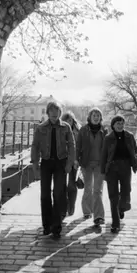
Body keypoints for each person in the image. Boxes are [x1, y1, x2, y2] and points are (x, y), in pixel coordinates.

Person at [31, 101, 76, 239]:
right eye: (52, 112)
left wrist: (69, 163)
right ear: (48, 113)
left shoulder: (66, 127)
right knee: (45, 195)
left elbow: (72, 145)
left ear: (60, 113)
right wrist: (35, 165)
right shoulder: (41, 128)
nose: (54, 114)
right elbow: (35, 146)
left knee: (58, 194)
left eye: (57, 112)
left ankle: (56, 227)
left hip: (60, 163)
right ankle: (46, 225)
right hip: (46, 162)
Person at [101, 115, 137, 233]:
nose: (120, 125)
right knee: (113, 196)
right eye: (118, 123)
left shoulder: (129, 136)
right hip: (112, 168)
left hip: (125, 167)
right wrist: (103, 171)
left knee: (126, 191)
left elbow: (135, 150)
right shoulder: (108, 138)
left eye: (122, 123)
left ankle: (121, 208)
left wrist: (136, 161)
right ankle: (115, 223)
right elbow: (104, 155)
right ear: (113, 125)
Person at [75, 108, 108, 227]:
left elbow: (108, 147)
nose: (96, 117)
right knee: (88, 188)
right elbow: (78, 146)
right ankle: (87, 211)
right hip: (86, 163)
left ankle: (99, 216)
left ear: (101, 118)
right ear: (90, 117)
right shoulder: (83, 130)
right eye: (94, 115)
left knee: (97, 190)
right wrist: (76, 159)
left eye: (98, 115)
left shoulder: (104, 130)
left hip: (100, 164)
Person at [61, 111, 81, 217]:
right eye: (66, 120)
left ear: (73, 121)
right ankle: (64, 206)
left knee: (72, 185)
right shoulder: (60, 130)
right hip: (62, 160)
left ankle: (71, 206)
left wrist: (77, 160)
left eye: (70, 120)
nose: (68, 122)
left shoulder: (78, 131)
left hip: (74, 160)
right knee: (61, 185)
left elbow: (80, 147)